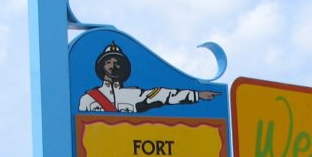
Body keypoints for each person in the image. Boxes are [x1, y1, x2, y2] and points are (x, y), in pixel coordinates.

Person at [79, 41, 220, 112]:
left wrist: (197, 95)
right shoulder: (89, 99)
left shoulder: (133, 94)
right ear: (102, 66)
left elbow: (164, 95)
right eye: (108, 62)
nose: (112, 66)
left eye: (117, 63)